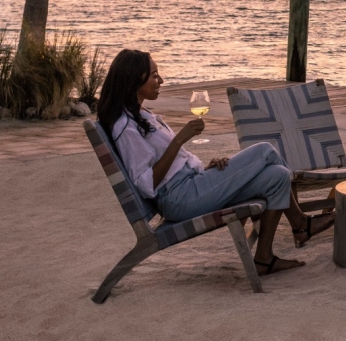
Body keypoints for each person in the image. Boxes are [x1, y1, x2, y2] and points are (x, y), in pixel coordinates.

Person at [97, 49, 331, 276]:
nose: (162, 80)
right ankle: (301, 224)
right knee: (265, 151)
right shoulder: (125, 128)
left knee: (278, 175)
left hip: (192, 184)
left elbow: (172, 164)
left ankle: (264, 258)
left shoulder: (142, 116)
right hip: (180, 197)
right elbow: (146, 184)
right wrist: (179, 139)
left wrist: (203, 168)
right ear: (134, 79)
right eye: (155, 75)